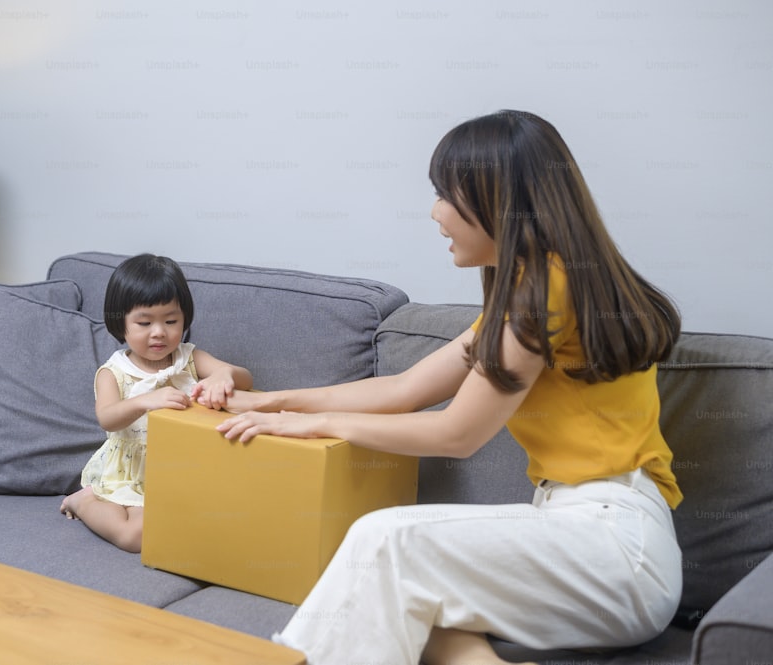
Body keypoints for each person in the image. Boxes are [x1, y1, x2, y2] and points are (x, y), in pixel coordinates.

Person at [214, 110, 683, 665]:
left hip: (613, 546)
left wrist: (310, 424)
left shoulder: (546, 290)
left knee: (383, 541)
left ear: (496, 199)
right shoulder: (527, 292)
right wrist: (271, 401)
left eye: (445, 193)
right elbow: (404, 388)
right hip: (584, 536)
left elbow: (456, 433)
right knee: (399, 602)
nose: (436, 213)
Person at [61, 253, 253, 553]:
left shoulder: (189, 358)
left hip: (184, 470)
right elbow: (108, 418)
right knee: (133, 537)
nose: (159, 332)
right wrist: (145, 401)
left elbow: (246, 379)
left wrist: (225, 375)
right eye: (144, 322)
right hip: (132, 471)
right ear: (120, 323)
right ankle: (83, 501)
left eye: (171, 321)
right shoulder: (114, 373)